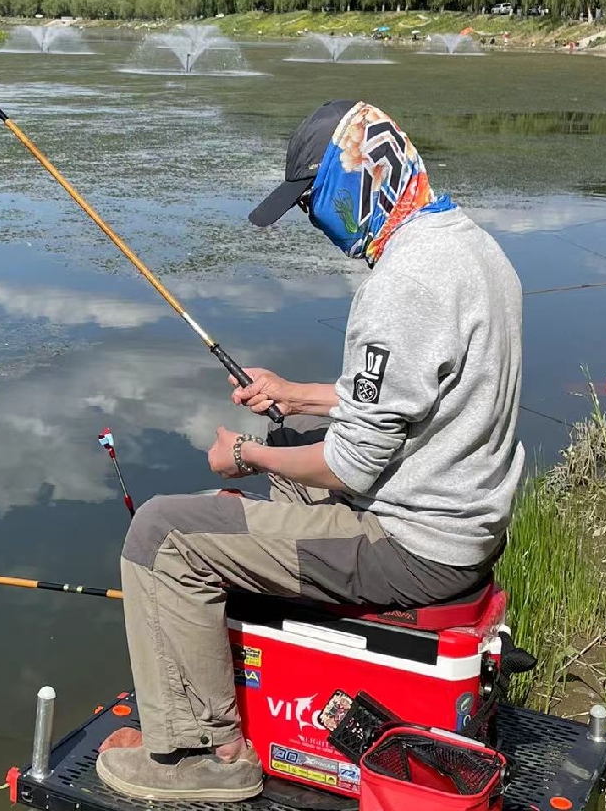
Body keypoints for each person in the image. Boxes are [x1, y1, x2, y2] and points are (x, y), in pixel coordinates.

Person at [96, 99, 524, 804]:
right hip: (462, 526)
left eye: (309, 202)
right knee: (288, 448)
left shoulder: (404, 284)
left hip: (413, 547)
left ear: (351, 181)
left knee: (162, 534)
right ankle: (245, 666)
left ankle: (207, 755)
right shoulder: (469, 245)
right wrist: (292, 397)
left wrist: (245, 455)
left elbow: (349, 465)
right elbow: (414, 395)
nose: (310, 220)